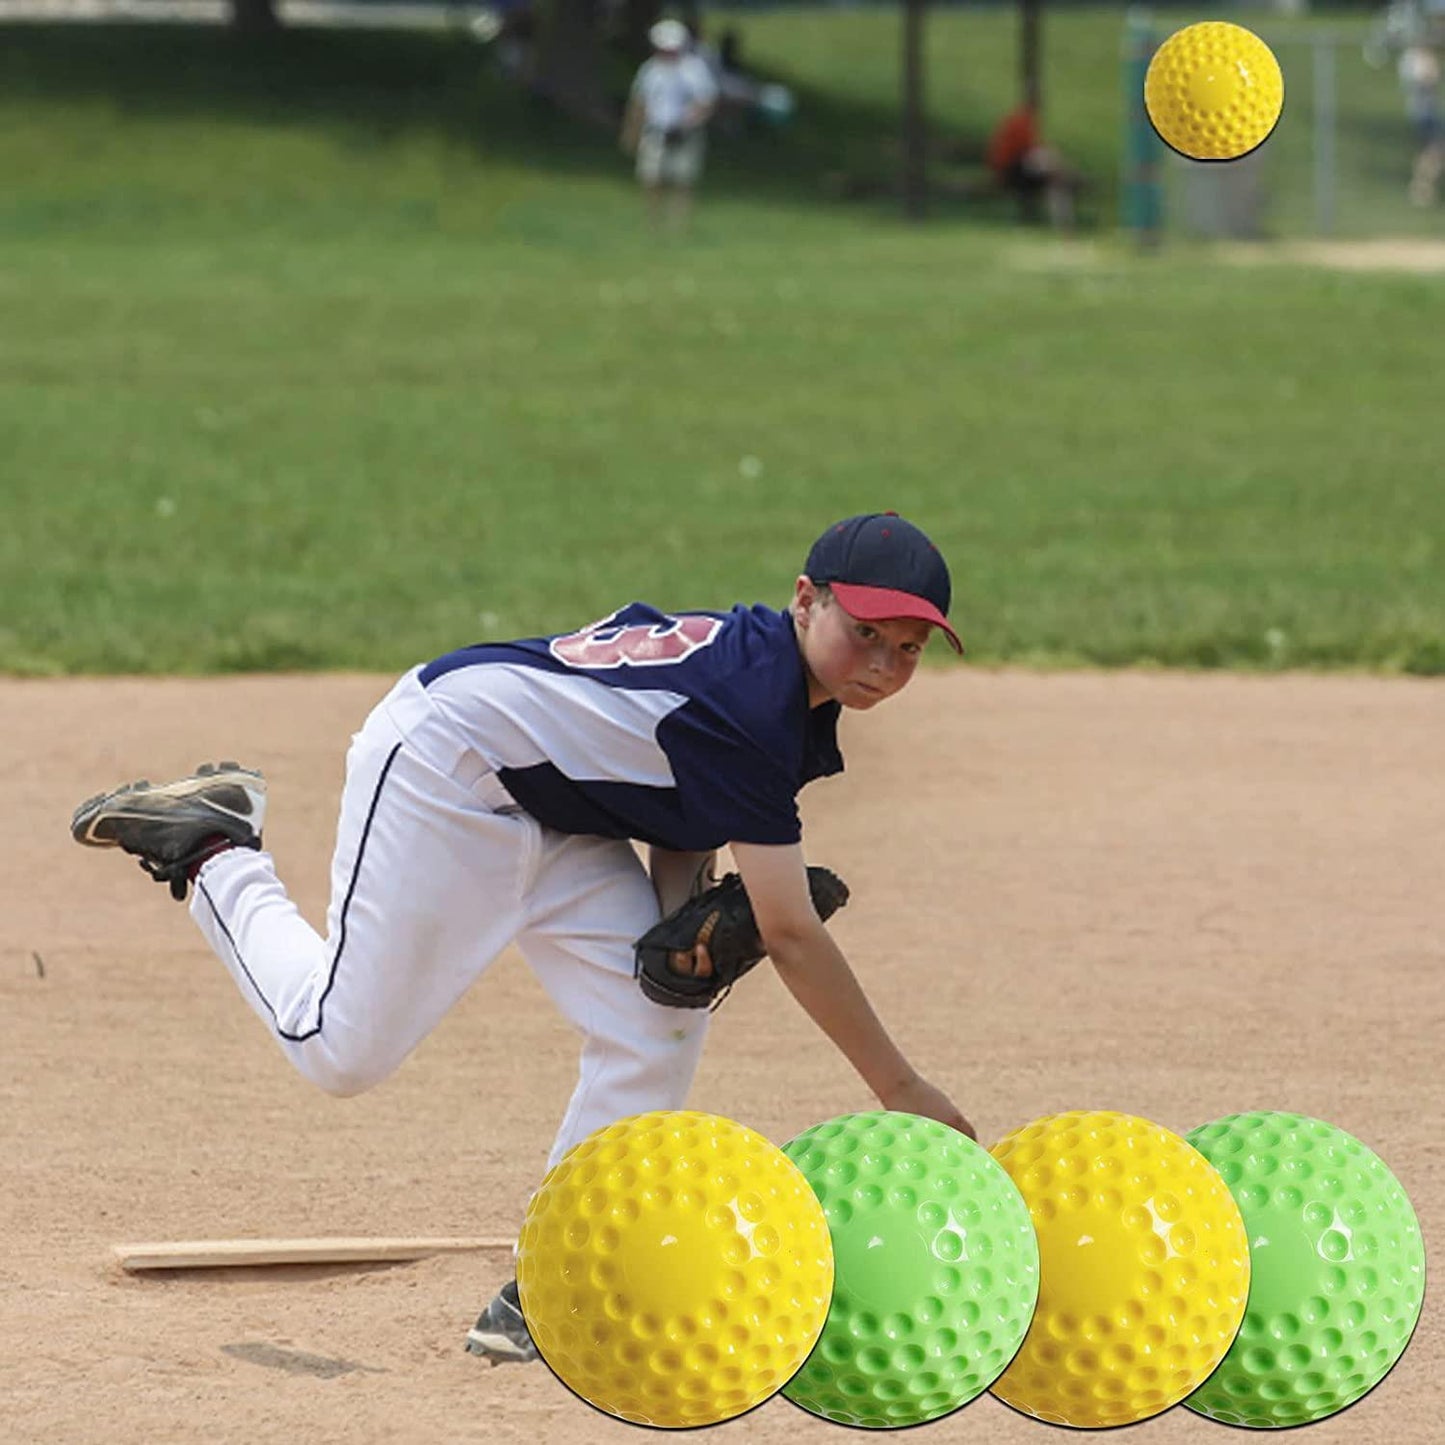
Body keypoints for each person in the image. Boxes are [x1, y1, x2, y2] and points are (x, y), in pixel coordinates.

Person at [70, 512, 976, 1365]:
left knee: (653, 1013)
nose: (884, 663)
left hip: (555, 801)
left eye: (908, 647)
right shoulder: (754, 706)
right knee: (338, 1046)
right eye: (865, 631)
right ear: (805, 597)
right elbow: (790, 932)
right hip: (444, 768)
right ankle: (214, 846)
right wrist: (901, 1086)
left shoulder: (765, 677)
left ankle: (553, 1280)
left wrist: (680, 910)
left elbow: (682, 796)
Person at [620, 18, 719, 233]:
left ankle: (678, 225)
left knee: (682, 181)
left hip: (685, 133)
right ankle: (653, 223)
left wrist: (689, 121)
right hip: (656, 131)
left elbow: (706, 101)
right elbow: (639, 102)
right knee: (651, 178)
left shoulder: (693, 69)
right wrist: (632, 132)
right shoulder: (650, 70)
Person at [986, 102, 1084, 231]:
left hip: (1020, 170)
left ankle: (1065, 222)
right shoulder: (1020, 122)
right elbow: (1024, 153)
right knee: (1054, 178)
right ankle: (1065, 222)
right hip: (1012, 173)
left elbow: (1031, 150)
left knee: (1054, 180)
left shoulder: (1022, 121)